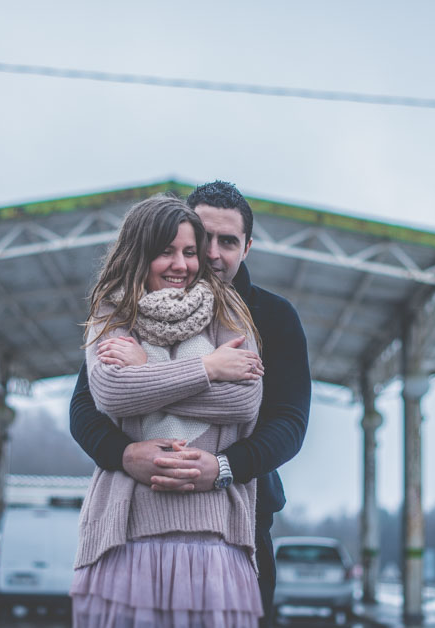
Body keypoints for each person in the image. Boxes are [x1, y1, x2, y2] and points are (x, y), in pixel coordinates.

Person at [71, 181, 311, 626]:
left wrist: (224, 467)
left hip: (241, 525)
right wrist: (124, 455)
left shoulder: (271, 318)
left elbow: (285, 421)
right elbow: (87, 409)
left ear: (248, 246)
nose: (214, 254)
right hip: (132, 522)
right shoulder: (124, 310)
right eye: (204, 240)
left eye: (229, 241)